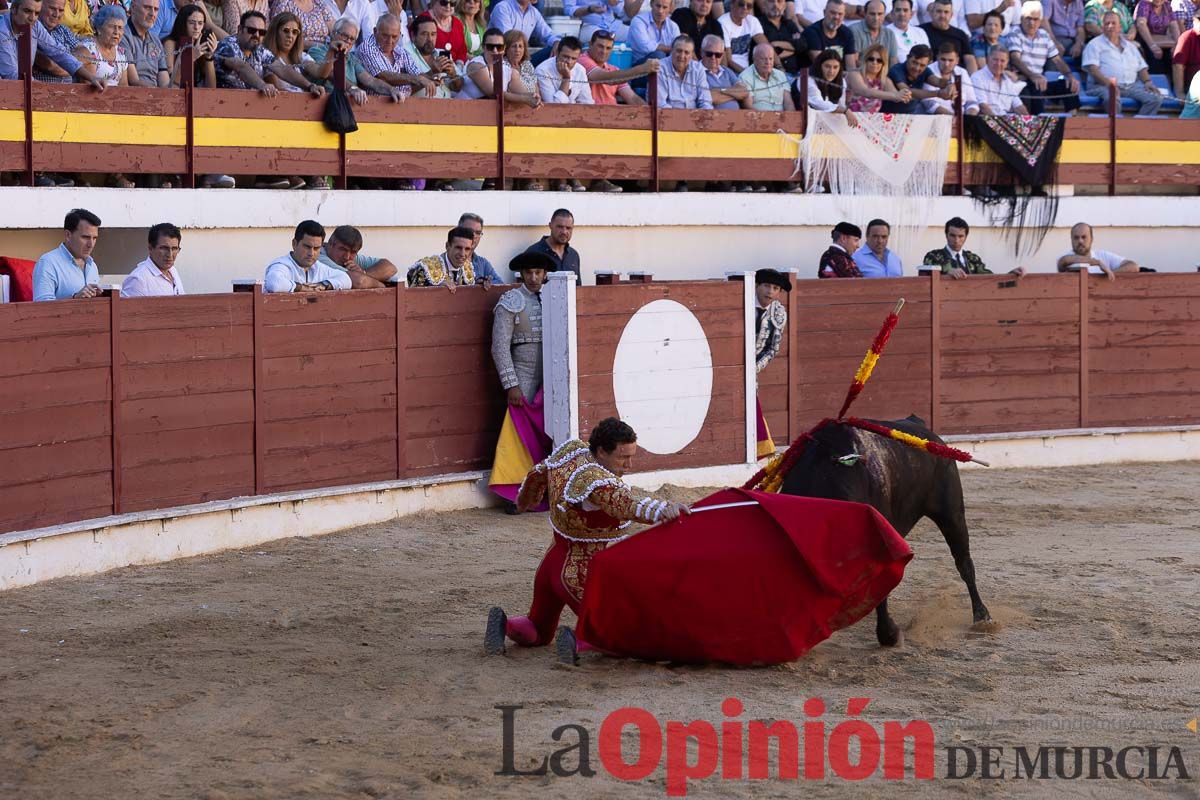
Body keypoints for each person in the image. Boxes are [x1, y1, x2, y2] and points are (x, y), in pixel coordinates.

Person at [483, 417, 690, 661]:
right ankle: (577, 643)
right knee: (615, 632)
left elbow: (540, 471)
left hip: (550, 564)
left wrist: (524, 500)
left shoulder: (575, 451)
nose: (629, 464)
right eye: (623, 457)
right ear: (602, 451)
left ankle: (505, 626)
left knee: (538, 629)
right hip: (575, 572)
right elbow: (625, 504)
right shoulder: (596, 483)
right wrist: (660, 510)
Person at [488, 251, 558, 511]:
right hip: (524, 374)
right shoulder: (510, 301)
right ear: (521, 274)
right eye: (528, 273)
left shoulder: (554, 297)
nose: (533, 277)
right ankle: (517, 494)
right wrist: (511, 384)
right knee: (518, 434)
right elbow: (499, 347)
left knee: (549, 433)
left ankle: (549, 490)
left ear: (545, 273)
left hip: (552, 375)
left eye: (538, 272)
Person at [215, 10, 326, 95]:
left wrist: (310, 86)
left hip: (246, 106)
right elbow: (241, 66)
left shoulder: (259, 49)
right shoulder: (228, 45)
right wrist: (262, 85)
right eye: (251, 30)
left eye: (262, 32)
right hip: (220, 105)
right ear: (240, 29)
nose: (257, 35)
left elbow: (281, 68)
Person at [0, 0, 105, 87]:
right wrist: (50, 92)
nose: (32, 18)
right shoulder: (2, 30)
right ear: (13, 9)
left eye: (36, 13)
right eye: (27, 11)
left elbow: (57, 52)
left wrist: (92, 78)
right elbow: (12, 75)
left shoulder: (34, 25)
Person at [1005, 0, 1081, 113]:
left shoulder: (1044, 35)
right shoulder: (1015, 32)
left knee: (1068, 86)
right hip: (1022, 80)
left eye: (1035, 19)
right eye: (1028, 18)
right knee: (1034, 90)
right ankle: (1036, 126)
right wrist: (1033, 76)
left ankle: (1073, 122)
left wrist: (1069, 76)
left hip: (1039, 81)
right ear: (1021, 19)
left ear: (1040, 21)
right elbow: (1015, 59)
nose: (1032, 23)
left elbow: (1057, 60)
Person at [1083, 10, 1163, 114]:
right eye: (1107, 23)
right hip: (1101, 86)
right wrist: (1110, 85)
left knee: (1155, 98)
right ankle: (1116, 128)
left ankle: (1136, 128)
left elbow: (1141, 68)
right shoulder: (1094, 44)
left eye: (1113, 23)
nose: (1110, 26)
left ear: (1120, 27)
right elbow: (1093, 70)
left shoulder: (1131, 46)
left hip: (1130, 86)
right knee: (1112, 98)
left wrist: (1148, 82)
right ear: (1102, 27)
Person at [753, 268, 790, 458]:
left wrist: (754, 368)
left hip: (753, 365)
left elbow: (773, 349)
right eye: (766, 286)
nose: (770, 291)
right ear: (757, 286)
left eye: (775, 288)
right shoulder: (740, 302)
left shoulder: (779, 314)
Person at [356, 14, 438, 98]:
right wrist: (417, 79)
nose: (390, 41)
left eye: (394, 37)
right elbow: (384, 77)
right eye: (385, 36)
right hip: (376, 105)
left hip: (403, 104)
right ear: (375, 31)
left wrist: (432, 78)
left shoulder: (399, 50)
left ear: (399, 35)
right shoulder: (367, 48)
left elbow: (417, 74)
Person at [33, 209, 102, 302]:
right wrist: (74, 299)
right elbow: (41, 308)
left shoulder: (92, 266)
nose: (91, 244)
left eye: (94, 238)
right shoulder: (48, 263)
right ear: (68, 235)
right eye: (85, 237)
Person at [921, 216, 1026, 277]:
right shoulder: (933, 255)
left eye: (960, 236)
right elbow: (929, 266)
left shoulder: (972, 258)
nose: (956, 240)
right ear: (946, 235)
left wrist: (1010, 275)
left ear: (966, 237)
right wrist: (948, 270)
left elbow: (990, 279)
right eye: (952, 235)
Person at [264, 221, 352, 293]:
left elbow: (346, 279)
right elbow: (274, 284)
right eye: (307, 247)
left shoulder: (318, 267)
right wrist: (304, 288)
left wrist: (323, 285)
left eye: (316, 248)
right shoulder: (282, 265)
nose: (311, 253)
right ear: (294, 244)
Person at [317, 225, 399, 288]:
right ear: (331, 244)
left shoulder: (350, 258)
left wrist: (364, 273)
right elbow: (358, 281)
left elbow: (391, 268)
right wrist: (381, 285)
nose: (347, 256)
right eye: (343, 249)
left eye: (353, 252)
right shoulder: (319, 256)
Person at [880, 42, 952, 112]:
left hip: (910, 116)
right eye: (914, 62)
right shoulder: (896, 70)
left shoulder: (926, 70)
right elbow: (908, 91)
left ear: (928, 64)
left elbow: (938, 81)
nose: (917, 68)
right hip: (888, 116)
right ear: (907, 58)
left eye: (922, 65)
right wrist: (938, 94)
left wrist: (949, 85)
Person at [404, 14, 464, 97]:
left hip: (447, 106)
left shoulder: (442, 53)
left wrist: (453, 75)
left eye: (433, 34)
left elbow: (458, 88)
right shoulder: (405, 53)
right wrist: (432, 72)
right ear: (413, 36)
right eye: (424, 34)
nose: (430, 39)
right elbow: (403, 90)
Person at [408, 226, 484, 289]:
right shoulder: (426, 269)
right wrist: (436, 288)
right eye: (458, 248)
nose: (462, 254)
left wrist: (479, 285)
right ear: (447, 246)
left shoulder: (468, 268)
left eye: (467, 249)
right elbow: (414, 298)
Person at [1056, 222, 1139, 280]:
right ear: (1071, 240)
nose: (1080, 241)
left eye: (1084, 237)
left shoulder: (1103, 255)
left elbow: (1133, 266)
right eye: (1076, 238)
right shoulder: (1066, 257)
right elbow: (1064, 261)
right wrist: (1097, 262)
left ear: (1091, 239)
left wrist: (1109, 274)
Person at [122, 223, 186, 297]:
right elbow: (126, 308)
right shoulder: (138, 280)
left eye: (174, 248)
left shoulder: (173, 271)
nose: (170, 254)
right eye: (164, 248)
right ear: (150, 248)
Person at [164, 4, 219, 88]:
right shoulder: (170, 42)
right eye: (191, 23)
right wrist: (191, 58)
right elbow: (172, 83)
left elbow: (211, 88)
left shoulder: (202, 44)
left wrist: (209, 57)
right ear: (182, 23)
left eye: (200, 23)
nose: (196, 27)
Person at [848, 43, 910, 111]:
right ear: (865, 60)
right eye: (871, 59)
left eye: (879, 60)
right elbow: (865, 92)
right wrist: (896, 96)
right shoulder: (854, 74)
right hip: (847, 119)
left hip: (871, 120)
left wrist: (905, 94)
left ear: (884, 63)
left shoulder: (885, 80)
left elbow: (896, 96)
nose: (875, 62)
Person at [524, 209, 582, 283]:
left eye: (568, 228)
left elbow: (577, 288)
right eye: (560, 227)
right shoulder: (533, 253)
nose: (564, 232)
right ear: (550, 226)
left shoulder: (573, 255)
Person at [657, 34, 714, 108]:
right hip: (668, 116)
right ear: (671, 50)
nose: (682, 56)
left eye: (686, 52)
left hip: (695, 116)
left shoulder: (698, 69)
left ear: (691, 55)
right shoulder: (660, 67)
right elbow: (660, 104)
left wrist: (702, 116)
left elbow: (705, 101)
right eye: (679, 51)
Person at [123, 0, 170, 87]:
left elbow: (164, 79)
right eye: (147, 7)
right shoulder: (122, 35)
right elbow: (133, 80)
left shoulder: (155, 40)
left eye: (156, 9)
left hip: (156, 95)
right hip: (133, 95)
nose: (152, 14)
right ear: (133, 7)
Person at [923, 40, 979, 113]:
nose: (946, 64)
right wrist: (953, 119)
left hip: (962, 118)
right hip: (936, 118)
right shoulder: (928, 70)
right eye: (943, 59)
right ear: (937, 57)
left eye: (950, 60)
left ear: (957, 60)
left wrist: (969, 116)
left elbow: (972, 102)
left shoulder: (962, 72)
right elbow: (929, 104)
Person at [972, 43, 1029, 113]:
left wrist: (1028, 121)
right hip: (987, 119)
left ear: (1007, 63)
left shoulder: (1008, 81)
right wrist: (998, 123)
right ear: (988, 59)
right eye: (995, 60)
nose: (998, 64)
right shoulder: (977, 77)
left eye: (1002, 61)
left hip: (1005, 119)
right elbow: (983, 107)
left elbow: (1018, 106)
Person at [921, 0, 977, 70]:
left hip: (956, 76)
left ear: (951, 15)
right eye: (939, 11)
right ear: (931, 13)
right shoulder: (920, 31)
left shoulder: (960, 34)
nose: (942, 15)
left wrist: (973, 78)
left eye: (946, 12)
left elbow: (969, 60)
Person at [740, 41, 796, 109]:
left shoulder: (780, 75)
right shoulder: (745, 77)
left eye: (770, 59)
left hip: (782, 118)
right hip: (759, 118)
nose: (768, 62)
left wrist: (790, 118)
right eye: (763, 59)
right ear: (754, 59)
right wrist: (767, 119)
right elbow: (748, 107)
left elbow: (788, 103)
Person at [701, 34, 750, 109]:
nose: (713, 58)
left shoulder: (727, 71)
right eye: (709, 54)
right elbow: (708, 97)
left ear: (723, 55)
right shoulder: (697, 71)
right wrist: (734, 95)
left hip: (735, 117)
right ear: (701, 52)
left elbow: (744, 92)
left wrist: (720, 91)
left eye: (718, 55)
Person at [490, 0, 561, 52]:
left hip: (522, 58)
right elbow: (508, 38)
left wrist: (556, 42)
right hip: (502, 57)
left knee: (557, 49)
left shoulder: (534, 12)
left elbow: (548, 34)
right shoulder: (503, 7)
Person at [803, 0, 859, 66]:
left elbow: (851, 67)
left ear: (844, 15)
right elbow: (821, 66)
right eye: (833, 13)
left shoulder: (847, 33)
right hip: (815, 75)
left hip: (841, 74)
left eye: (840, 14)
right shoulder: (812, 32)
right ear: (824, 12)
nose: (836, 17)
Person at [457, 213, 506, 283]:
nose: (474, 236)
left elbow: (500, 285)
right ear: (458, 230)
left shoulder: (482, 263)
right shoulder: (441, 262)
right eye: (470, 231)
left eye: (478, 233)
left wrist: (484, 284)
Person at [758, 0, 805, 73]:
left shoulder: (789, 24)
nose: (775, 5)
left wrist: (777, 44)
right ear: (764, 5)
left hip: (794, 73)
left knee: (806, 81)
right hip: (770, 74)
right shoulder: (758, 24)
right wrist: (793, 49)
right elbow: (765, 52)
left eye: (779, 1)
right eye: (771, 1)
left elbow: (802, 45)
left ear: (785, 6)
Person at [1135, 0, 1181, 73]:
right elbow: (1141, 25)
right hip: (1146, 41)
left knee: (1175, 56)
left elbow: (1174, 26)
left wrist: (1178, 45)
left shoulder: (1167, 5)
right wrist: (1153, 46)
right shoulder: (1144, 4)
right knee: (1155, 59)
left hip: (1163, 41)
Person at [719, 0, 768, 70]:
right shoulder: (723, 22)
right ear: (732, 4)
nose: (745, 8)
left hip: (747, 70)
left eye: (749, 6)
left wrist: (779, 66)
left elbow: (766, 46)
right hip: (732, 72)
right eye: (741, 4)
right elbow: (729, 61)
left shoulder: (752, 21)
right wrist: (747, 75)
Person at [268, 0, 336, 49]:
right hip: (298, 52)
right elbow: (279, 36)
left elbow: (335, 29)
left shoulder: (318, 3)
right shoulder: (284, 3)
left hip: (323, 50)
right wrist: (316, 45)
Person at [850, 0, 899, 65]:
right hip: (861, 73)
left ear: (884, 14)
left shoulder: (890, 34)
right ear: (865, 14)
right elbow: (854, 62)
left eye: (880, 14)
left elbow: (893, 63)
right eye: (872, 14)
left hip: (885, 74)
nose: (876, 18)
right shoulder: (854, 31)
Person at [1175, 7, 1200, 100]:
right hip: (1194, 86)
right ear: (1194, 20)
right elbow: (1178, 66)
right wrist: (1179, 93)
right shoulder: (1187, 37)